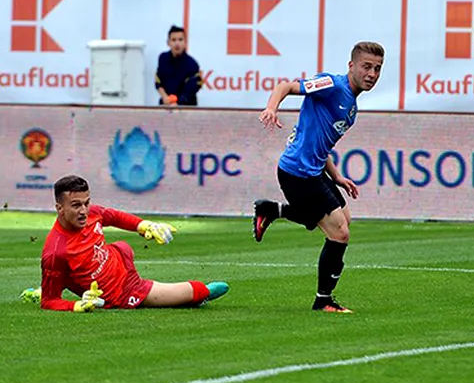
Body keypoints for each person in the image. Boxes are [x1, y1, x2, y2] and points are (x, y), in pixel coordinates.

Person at [252, 41, 385, 314]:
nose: (372, 74)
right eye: (366, 67)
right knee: (340, 233)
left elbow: (322, 146)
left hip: (315, 171)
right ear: (351, 66)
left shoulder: (351, 109)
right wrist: (271, 108)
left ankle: (272, 210)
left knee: (344, 220)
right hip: (297, 173)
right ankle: (323, 301)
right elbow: (286, 87)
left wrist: (337, 177)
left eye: (377, 69)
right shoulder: (330, 85)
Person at [21, 175, 228, 312]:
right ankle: (203, 294)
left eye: (86, 202)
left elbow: (112, 216)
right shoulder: (56, 252)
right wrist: (76, 305)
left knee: (123, 246)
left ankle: (48, 284)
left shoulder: (90, 213)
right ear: (60, 208)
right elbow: (49, 302)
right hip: (123, 291)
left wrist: (144, 225)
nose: (84, 211)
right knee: (193, 292)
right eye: (76, 205)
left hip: (118, 260)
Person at [155, 25, 202, 106]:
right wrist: (164, 96)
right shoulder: (162, 59)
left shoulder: (192, 64)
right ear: (168, 43)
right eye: (173, 40)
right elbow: (158, 81)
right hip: (166, 105)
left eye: (180, 40)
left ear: (185, 43)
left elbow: (190, 90)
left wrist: (177, 103)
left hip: (186, 106)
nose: (177, 43)